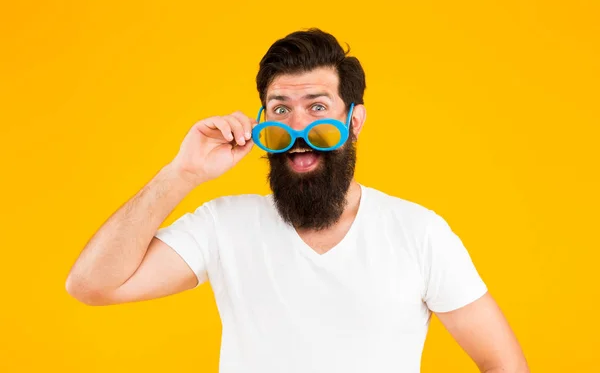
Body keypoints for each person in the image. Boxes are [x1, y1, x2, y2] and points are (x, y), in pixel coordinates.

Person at [66, 28, 529, 373]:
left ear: (355, 120)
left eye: (318, 106)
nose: (298, 128)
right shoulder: (223, 226)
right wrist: (182, 173)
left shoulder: (419, 232)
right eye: (281, 109)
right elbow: (91, 285)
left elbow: (503, 364)